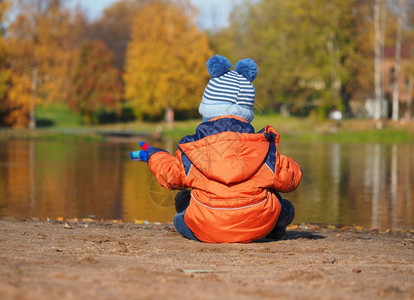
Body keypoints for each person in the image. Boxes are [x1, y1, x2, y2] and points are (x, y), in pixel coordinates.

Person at [132, 55, 303, 243]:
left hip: (208, 228)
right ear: (247, 115)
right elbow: (290, 180)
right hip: (256, 227)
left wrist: (153, 154)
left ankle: (205, 226)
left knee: (182, 210)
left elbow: (170, 175)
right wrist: (286, 163)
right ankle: (270, 229)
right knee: (282, 204)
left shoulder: (194, 149)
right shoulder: (264, 149)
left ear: (207, 112)